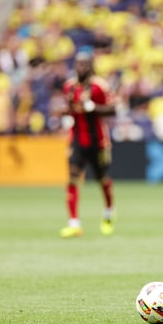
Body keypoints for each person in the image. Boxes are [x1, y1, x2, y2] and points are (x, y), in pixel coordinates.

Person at [59, 49, 116, 238]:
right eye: (78, 63)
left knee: (102, 179)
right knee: (72, 177)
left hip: (98, 141)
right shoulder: (69, 87)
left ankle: (109, 213)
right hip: (77, 139)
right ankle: (74, 223)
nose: (80, 67)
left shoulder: (99, 87)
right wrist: (64, 114)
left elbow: (113, 109)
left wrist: (94, 107)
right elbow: (70, 109)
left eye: (84, 64)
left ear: (91, 66)